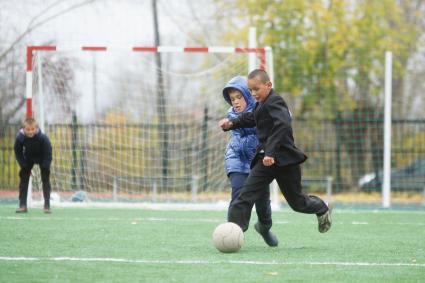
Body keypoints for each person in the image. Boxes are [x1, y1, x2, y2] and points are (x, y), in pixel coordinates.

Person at [219, 69, 332, 236]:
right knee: (245, 195)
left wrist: (270, 152)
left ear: (268, 85)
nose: (253, 93)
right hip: (265, 161)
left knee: (298, 203)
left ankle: (322, 208)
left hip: (284, 160)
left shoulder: (275, 101)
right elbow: (251, 119)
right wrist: (232, 123)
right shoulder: (260, 104)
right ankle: (234, 231)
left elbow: (283, 126)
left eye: (256, 89)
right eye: (250, 90)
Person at [221, 76, 278, 247]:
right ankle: (233, 232)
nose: (236, 102)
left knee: (262, 202)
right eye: (232, 99)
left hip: (258, 161)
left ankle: (265, 227)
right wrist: (228, 124)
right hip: (237, 158)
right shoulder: (231, 116)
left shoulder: (262, 111)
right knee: (239, 193)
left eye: (239, 97)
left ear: (248, 95)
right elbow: (241, 131)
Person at [14, 117, 52, 214]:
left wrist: (45, 166)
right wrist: (24, 165)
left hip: (42, 157)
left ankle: (47, 205)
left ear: (36, 128)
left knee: (45, 178)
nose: (30, 132)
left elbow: (48, 151)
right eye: (28, 129)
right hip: (29, 158)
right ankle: (23, 205)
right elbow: (18, 152)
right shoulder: (20, 138)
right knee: (23, 176)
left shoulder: (42, 138)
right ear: (24, 129)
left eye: (32, 129)